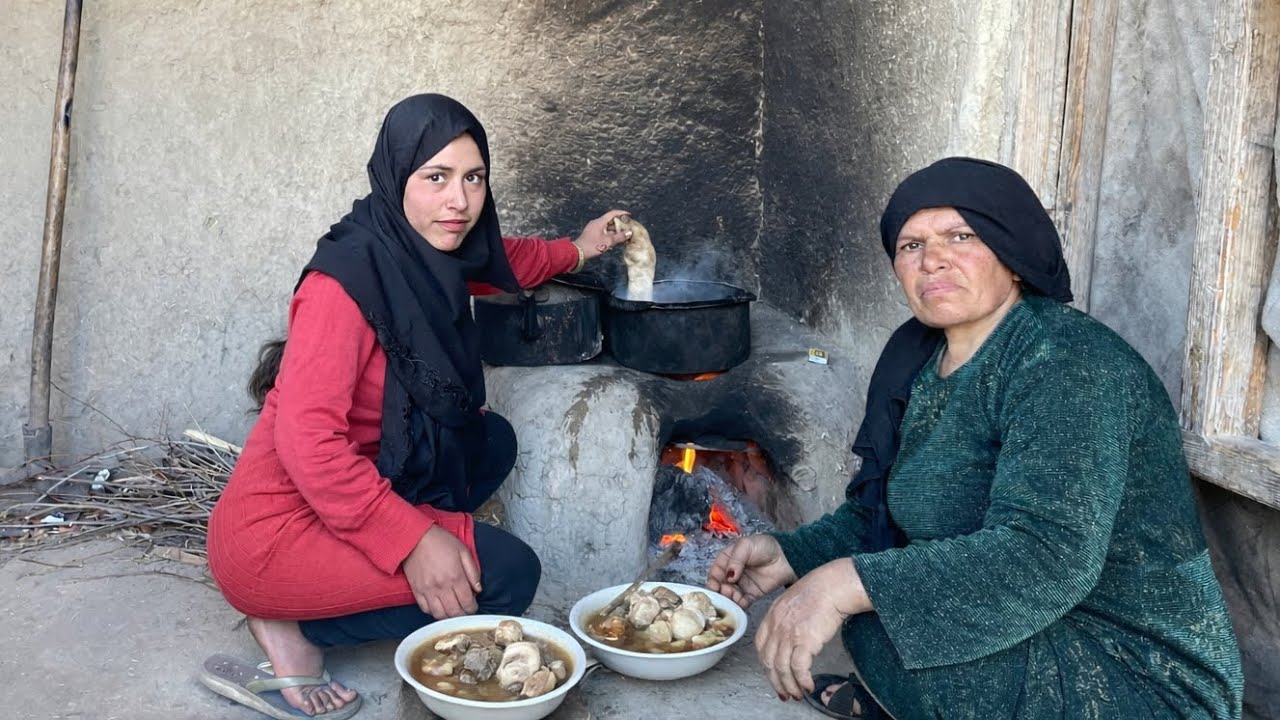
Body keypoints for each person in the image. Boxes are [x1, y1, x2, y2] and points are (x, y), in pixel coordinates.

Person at [708, 157, 1244, 720]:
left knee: (885, 624)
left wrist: (841, 583)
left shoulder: (1068, 364)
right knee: (879, 624)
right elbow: (881, 516)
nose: (931, 258)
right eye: (910, 246)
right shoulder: (917, 361)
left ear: (1012, 256)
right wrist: (792, 556)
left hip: (1131, 663)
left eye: (960, 236)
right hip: (1031, 622)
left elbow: (1044, 555)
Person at [200, 93, 631, 719]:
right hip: (273, 534)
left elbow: (499, 258)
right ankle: (290, 625)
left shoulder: (421, 249)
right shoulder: (342, 284)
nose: (459, 201)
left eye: (473, 178)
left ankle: (376, 568)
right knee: (508, 576)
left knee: (489, 442)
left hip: (352, 486)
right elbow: (308, 444)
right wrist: (409, 540)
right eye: (436, 178)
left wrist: (581, 247)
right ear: (396, 175)